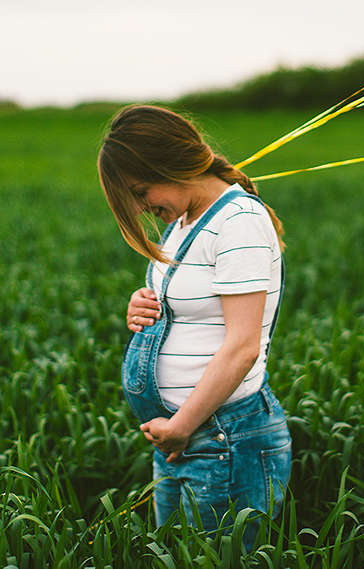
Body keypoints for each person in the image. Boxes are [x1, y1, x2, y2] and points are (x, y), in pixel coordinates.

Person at [97, 105, 291, 547]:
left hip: (224, 437)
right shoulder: (186, 221)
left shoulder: (238, 222)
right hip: (185, 435)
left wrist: (183, 423)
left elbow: (242, 345)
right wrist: (144, 306)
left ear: (170, 165)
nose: (141, 207)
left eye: (141, 191)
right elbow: (193, 306)